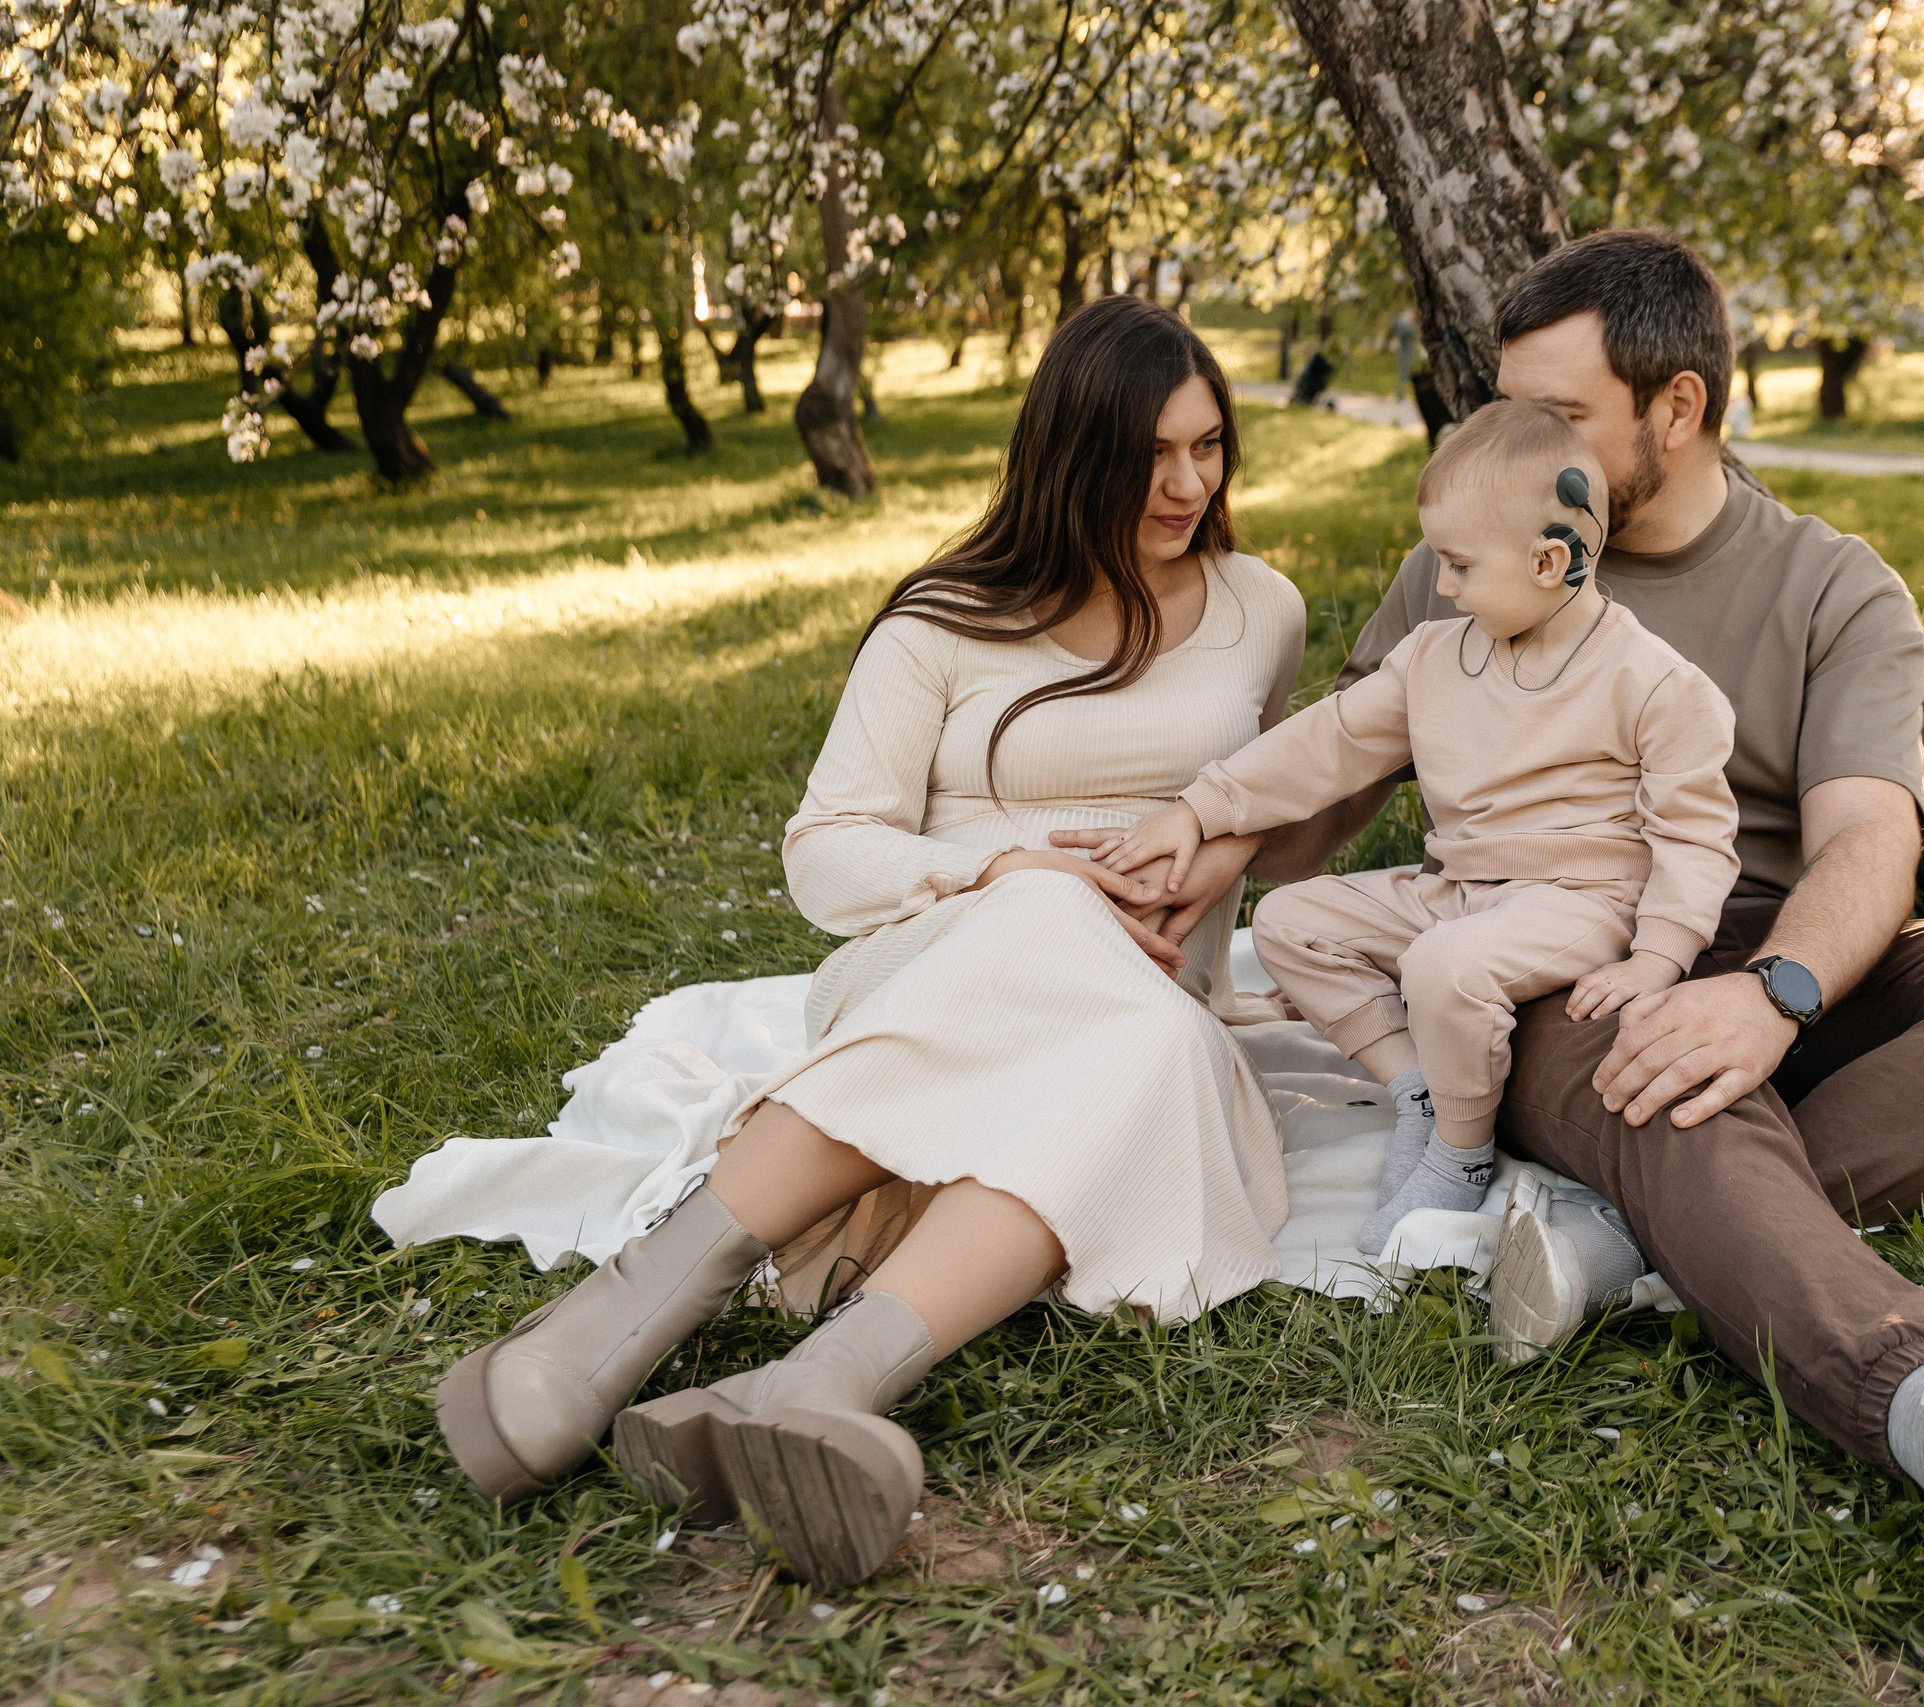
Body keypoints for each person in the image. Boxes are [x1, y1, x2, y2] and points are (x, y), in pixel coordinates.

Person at [1051, 231, 1924, 1617]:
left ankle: (1623, 1233)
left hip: (1777, 942)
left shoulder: (1832, 585)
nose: (1522, 442)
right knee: (1669, 1089)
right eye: (1510, 408)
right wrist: (1204, 838)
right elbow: (1335, 773)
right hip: (1556, 959)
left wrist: (1770, 994)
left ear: (1677, 407)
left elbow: (1866, 842)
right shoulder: (1478, 544)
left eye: (1560, 413)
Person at [433, 295, 1308, 1589]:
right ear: (1072, 455)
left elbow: (1275, 804)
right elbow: (826, 850)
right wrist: (998, 866)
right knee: (1052, 912)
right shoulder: (946, 622)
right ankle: (608, 1326)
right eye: (1150, 456)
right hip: (938, 974)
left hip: (1144, 1012)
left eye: (1208, 446)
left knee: (1153, 1044)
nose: (1187, 485)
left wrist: (1229, 846)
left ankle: (813, 1385)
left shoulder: (1262, 609)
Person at [1095, 401, 1738, 1254]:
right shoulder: (1436, 657)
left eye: (1460, 565)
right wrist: (1201, 806)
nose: (1443, 586)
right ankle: (1421, 1091)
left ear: (1549, 560)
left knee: (1442, 966)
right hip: (1457, 888)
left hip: (1581, 900)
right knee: (1287, 922)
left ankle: (1461, 1153)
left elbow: (1695, 836)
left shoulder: (1654, 682)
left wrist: (1659, 954)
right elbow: (1327, 743)